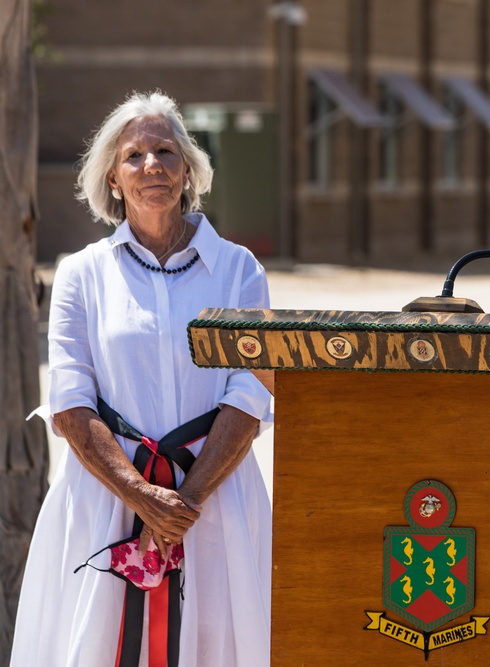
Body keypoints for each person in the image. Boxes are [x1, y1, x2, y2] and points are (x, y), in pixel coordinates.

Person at [11, 91, 274, 666]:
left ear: (189, 170)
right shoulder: (81, 274)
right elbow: (70, 403)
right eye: (134, 155)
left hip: (214, 502)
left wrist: (187, 499)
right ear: (111, 176)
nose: (151, 166)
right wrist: (139, 495)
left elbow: (251, 393)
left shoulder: (239, 269)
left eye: (165, 151)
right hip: (106, 500)